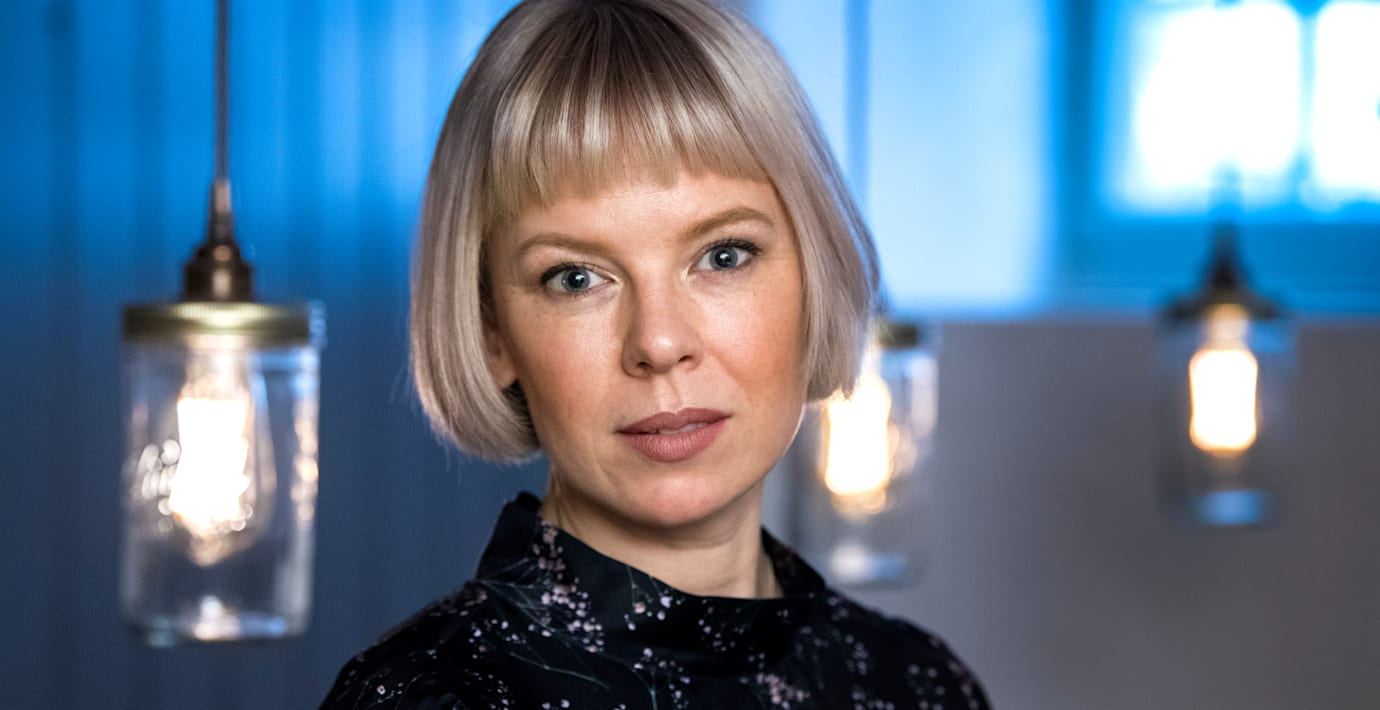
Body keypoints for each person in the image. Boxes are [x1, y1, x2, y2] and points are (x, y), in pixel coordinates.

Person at [322, 0, 990, 707]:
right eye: (575, 278)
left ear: (814, 278)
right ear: (492, 332)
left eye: (723, 255)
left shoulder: (919, 684)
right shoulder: (424, 698)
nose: (660, 342)